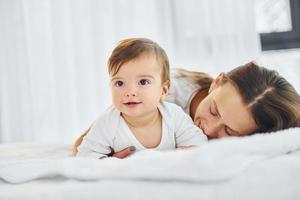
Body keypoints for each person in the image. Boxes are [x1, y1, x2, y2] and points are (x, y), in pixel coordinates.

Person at [73, 61, 300, 158]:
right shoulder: (162, 93)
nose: (209, 129)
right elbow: (80, 146)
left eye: (229, 132)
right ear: (217, 82)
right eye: (213, 110)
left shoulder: (255, 125)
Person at [76, 38, 207, 158]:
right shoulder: (108, 123)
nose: (130, 92)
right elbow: (85, 154)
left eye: (143, 82)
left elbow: (199, 143)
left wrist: (184, 155)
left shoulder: (174, 116)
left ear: (164, 89)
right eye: (119, 83)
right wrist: (109, 163)